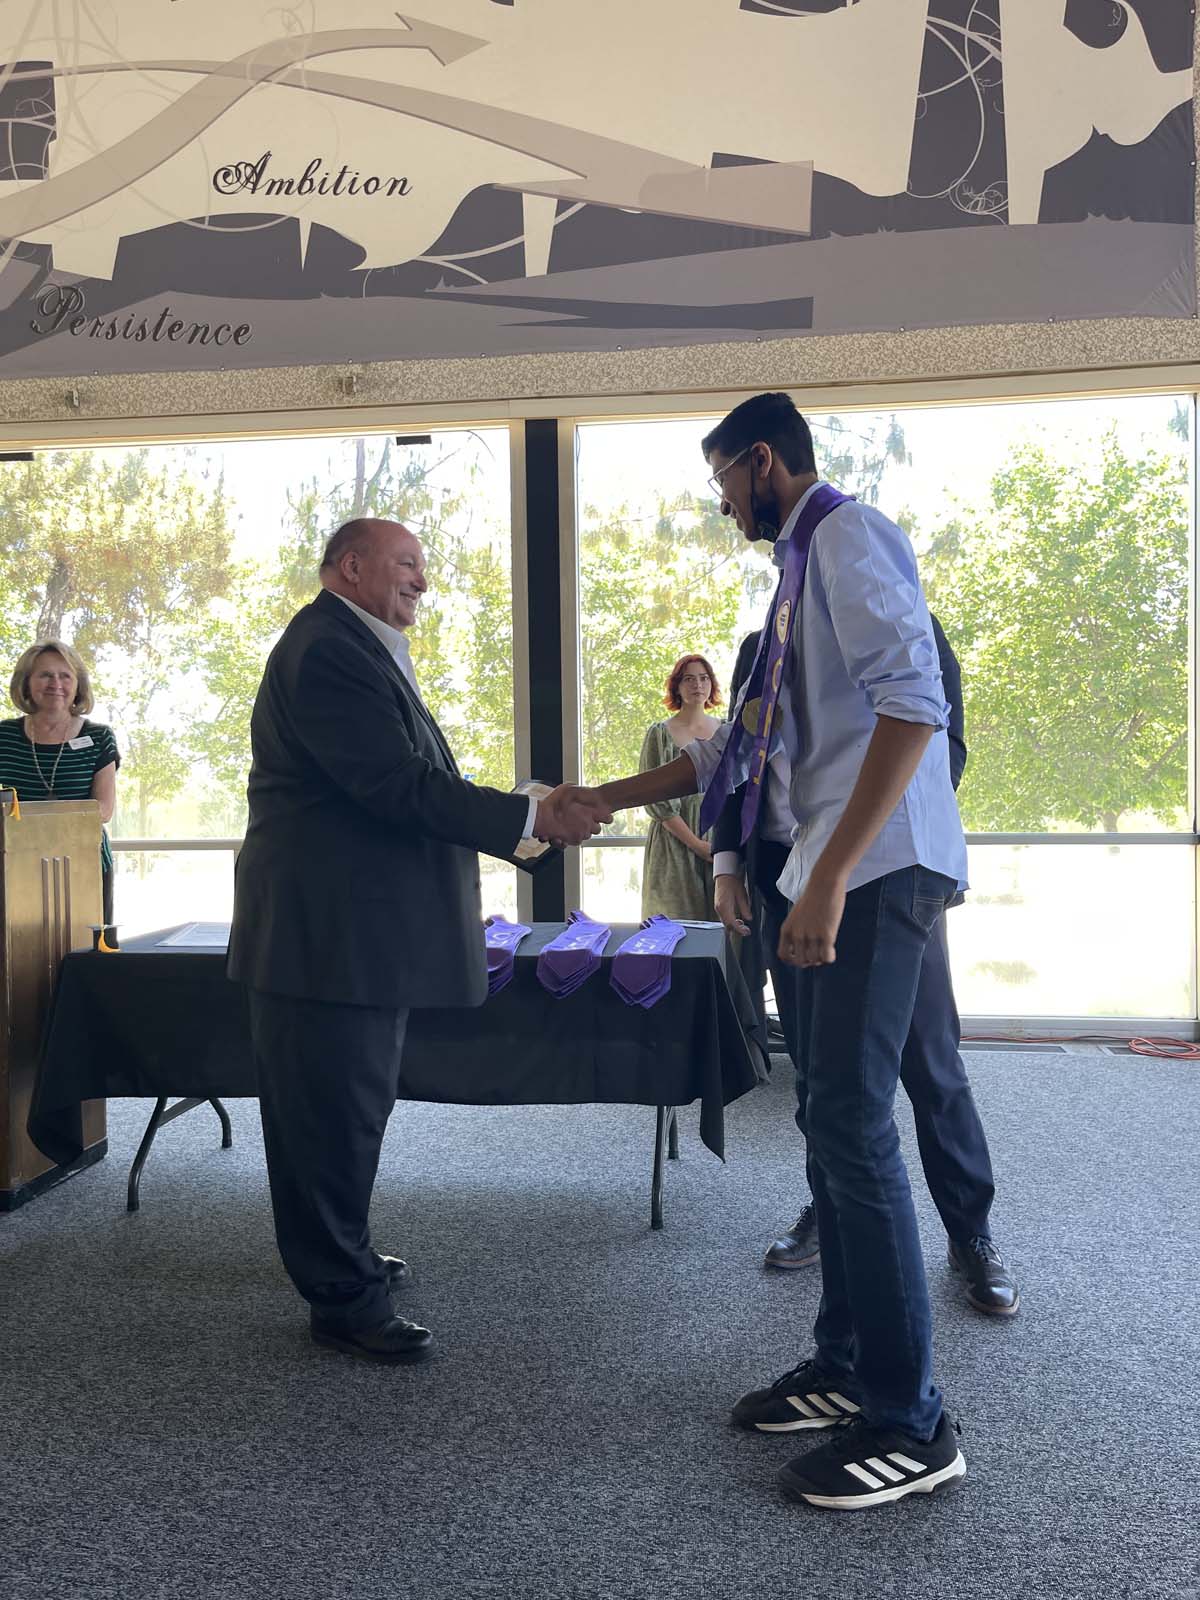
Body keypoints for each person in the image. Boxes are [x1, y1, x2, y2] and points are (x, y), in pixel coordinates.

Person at [596, 393, 972, 1511]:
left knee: (854, 1126)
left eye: (722, 483)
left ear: (764, 460)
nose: (722, 506)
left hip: (873, 869)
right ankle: (847, 1360)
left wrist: (838, 875)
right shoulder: (799, 571)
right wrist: (603, 797)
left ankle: (913, 1422)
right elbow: (742, 755)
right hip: (826, 863)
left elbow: (918, 707)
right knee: (825, 1118)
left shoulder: (848, 534)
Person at [227, 517, 611, 1365]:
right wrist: (531, 815)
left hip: (350, 940)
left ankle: (346, 1259)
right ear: (351, 566)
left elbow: (405, 783)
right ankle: (341, 1299)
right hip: (326, 944)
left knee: (351, 1110)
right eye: (407, 565)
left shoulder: (350, 645)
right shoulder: (325, 650)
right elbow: (396, 786)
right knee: (328, 1119)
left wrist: (526, 812)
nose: (423, 583)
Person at [713, 620, 1018, 1316]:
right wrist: (727, 863)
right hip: (784, 885)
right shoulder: (760, 647)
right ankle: (834, 1209)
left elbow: (945, 753)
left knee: (930, 1066)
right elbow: (737, 763)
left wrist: (872, 859)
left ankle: (971, 1235)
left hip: (885, 884)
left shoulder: (906, 625)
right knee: (820, 1077)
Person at [0, 641, 119, 920]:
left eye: (65, 675)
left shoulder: (99, 737)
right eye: (45, 675)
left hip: (84, 862)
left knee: (85, 957)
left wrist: (32, 815)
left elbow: (102, 810)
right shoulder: (3, 736)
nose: (56, 683)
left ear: (78, 684)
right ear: (27, 683)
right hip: (15, 862)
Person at [638, 653, 723, 919]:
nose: (697, 685)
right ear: (676, 686)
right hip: (674, 843)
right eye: (689, 679)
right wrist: (697, 845)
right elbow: (656, 801)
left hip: (720, 837)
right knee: (674, 925)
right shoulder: (659, 733)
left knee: (724, 930)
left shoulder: (727, 729)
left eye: (703, 678)